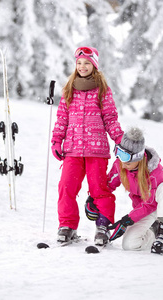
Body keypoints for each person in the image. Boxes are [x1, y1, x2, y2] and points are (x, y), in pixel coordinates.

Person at [51, 46, 123, 246]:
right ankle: (67, 226)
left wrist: (120, 140)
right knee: (66, 187)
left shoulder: (102, 90)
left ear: (94, 66)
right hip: (72, 149)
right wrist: (57, 140)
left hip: (96, 150)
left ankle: (103, 226)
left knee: (99, 189)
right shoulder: (69, 89)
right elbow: (62, 119)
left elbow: (110, 118)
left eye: (87, 63)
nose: (82, 67)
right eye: (79, 63)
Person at [104, 127, 163, 255]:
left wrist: (128, 219)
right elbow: (108, 185)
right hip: (143, 209)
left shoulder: (154, 171)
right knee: (130, 245)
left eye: (126, 157)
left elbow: (151, 203)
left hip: (160, 206)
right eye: (119, 153)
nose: (122, 161)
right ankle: (154, 230)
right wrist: (95, 197)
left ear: (138, 157)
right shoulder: (121, 164)